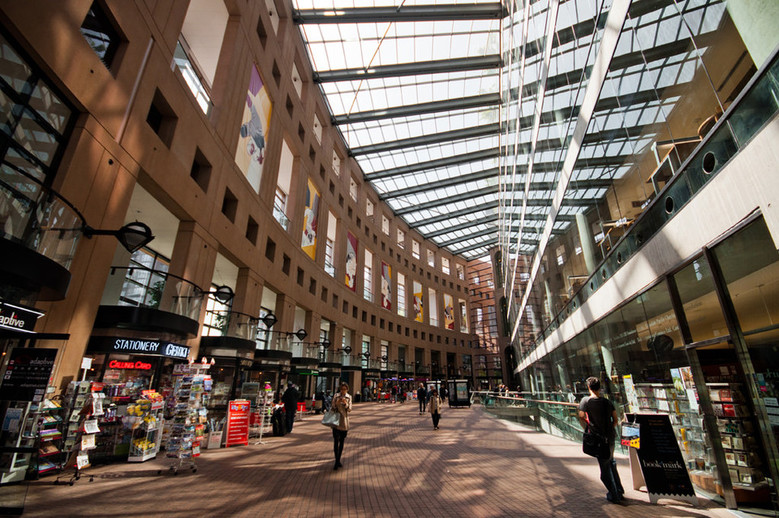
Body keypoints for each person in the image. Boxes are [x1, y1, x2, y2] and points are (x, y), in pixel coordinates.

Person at [578, 376, 625, 504]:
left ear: (588, 387)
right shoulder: (607, 402)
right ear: (599, 387)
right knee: (611, 462)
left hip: (598, 439)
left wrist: (590, 427)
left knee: (604, 470)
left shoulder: (585, 401)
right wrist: (609, 428)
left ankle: (614, 495)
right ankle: (619, 490)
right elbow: (615, 420)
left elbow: (581, 416)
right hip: (610, 437)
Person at [331, 382, 352, 470]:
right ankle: (336, 461)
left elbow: (350, 409)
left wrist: (346, 403)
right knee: (336, 441)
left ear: (347, 390)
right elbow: (332, 407)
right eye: (342, 389)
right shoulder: (336, 396)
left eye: (344, 389)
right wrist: (337, 403)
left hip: (344, 422)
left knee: (342, 441)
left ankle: (338, 459)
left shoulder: (349, 397)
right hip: (336, 421)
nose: (343, 391)